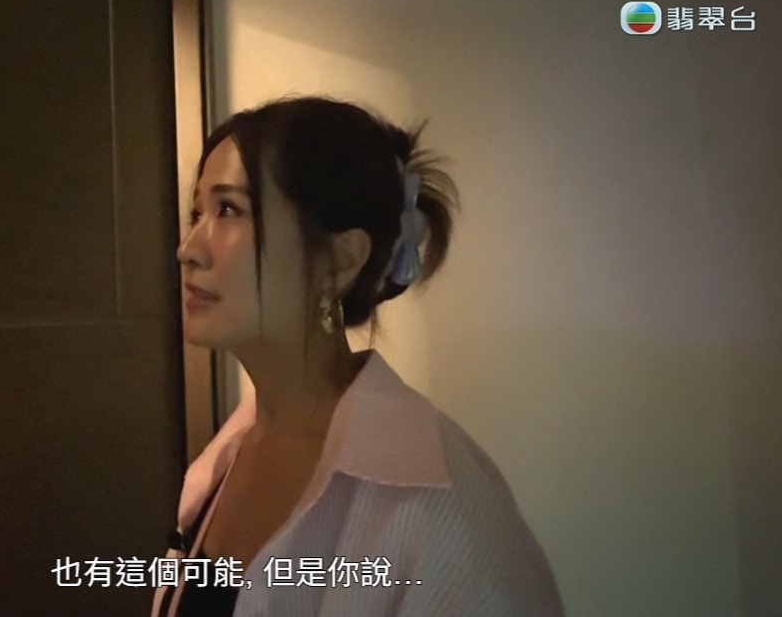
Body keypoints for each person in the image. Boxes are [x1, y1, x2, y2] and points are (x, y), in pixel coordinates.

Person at [153, 95, 564, 617]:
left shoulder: (439, 504)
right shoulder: (226, 457)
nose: (188, 248)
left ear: (341, 260)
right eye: (197, 213)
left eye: (229, 210)